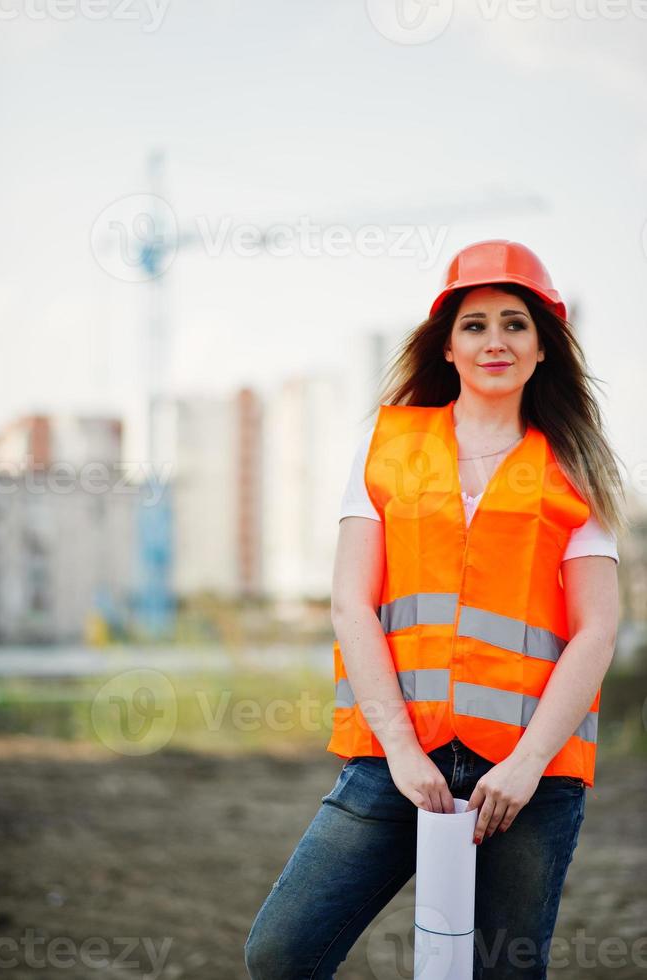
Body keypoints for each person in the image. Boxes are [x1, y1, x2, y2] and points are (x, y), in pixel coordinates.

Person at [244, 239, 627, 979]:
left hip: (528, 775)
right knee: (282, 952)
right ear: (446, 345)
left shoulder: (574, 461)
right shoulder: (388, 445)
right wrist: (400, 751)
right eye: (474, 324)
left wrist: (525, 765)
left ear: (544, 346)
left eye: (515, 323)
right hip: (397, 758)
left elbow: (595, 630)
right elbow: (353, 604)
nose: (496, 341)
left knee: (501, 972)